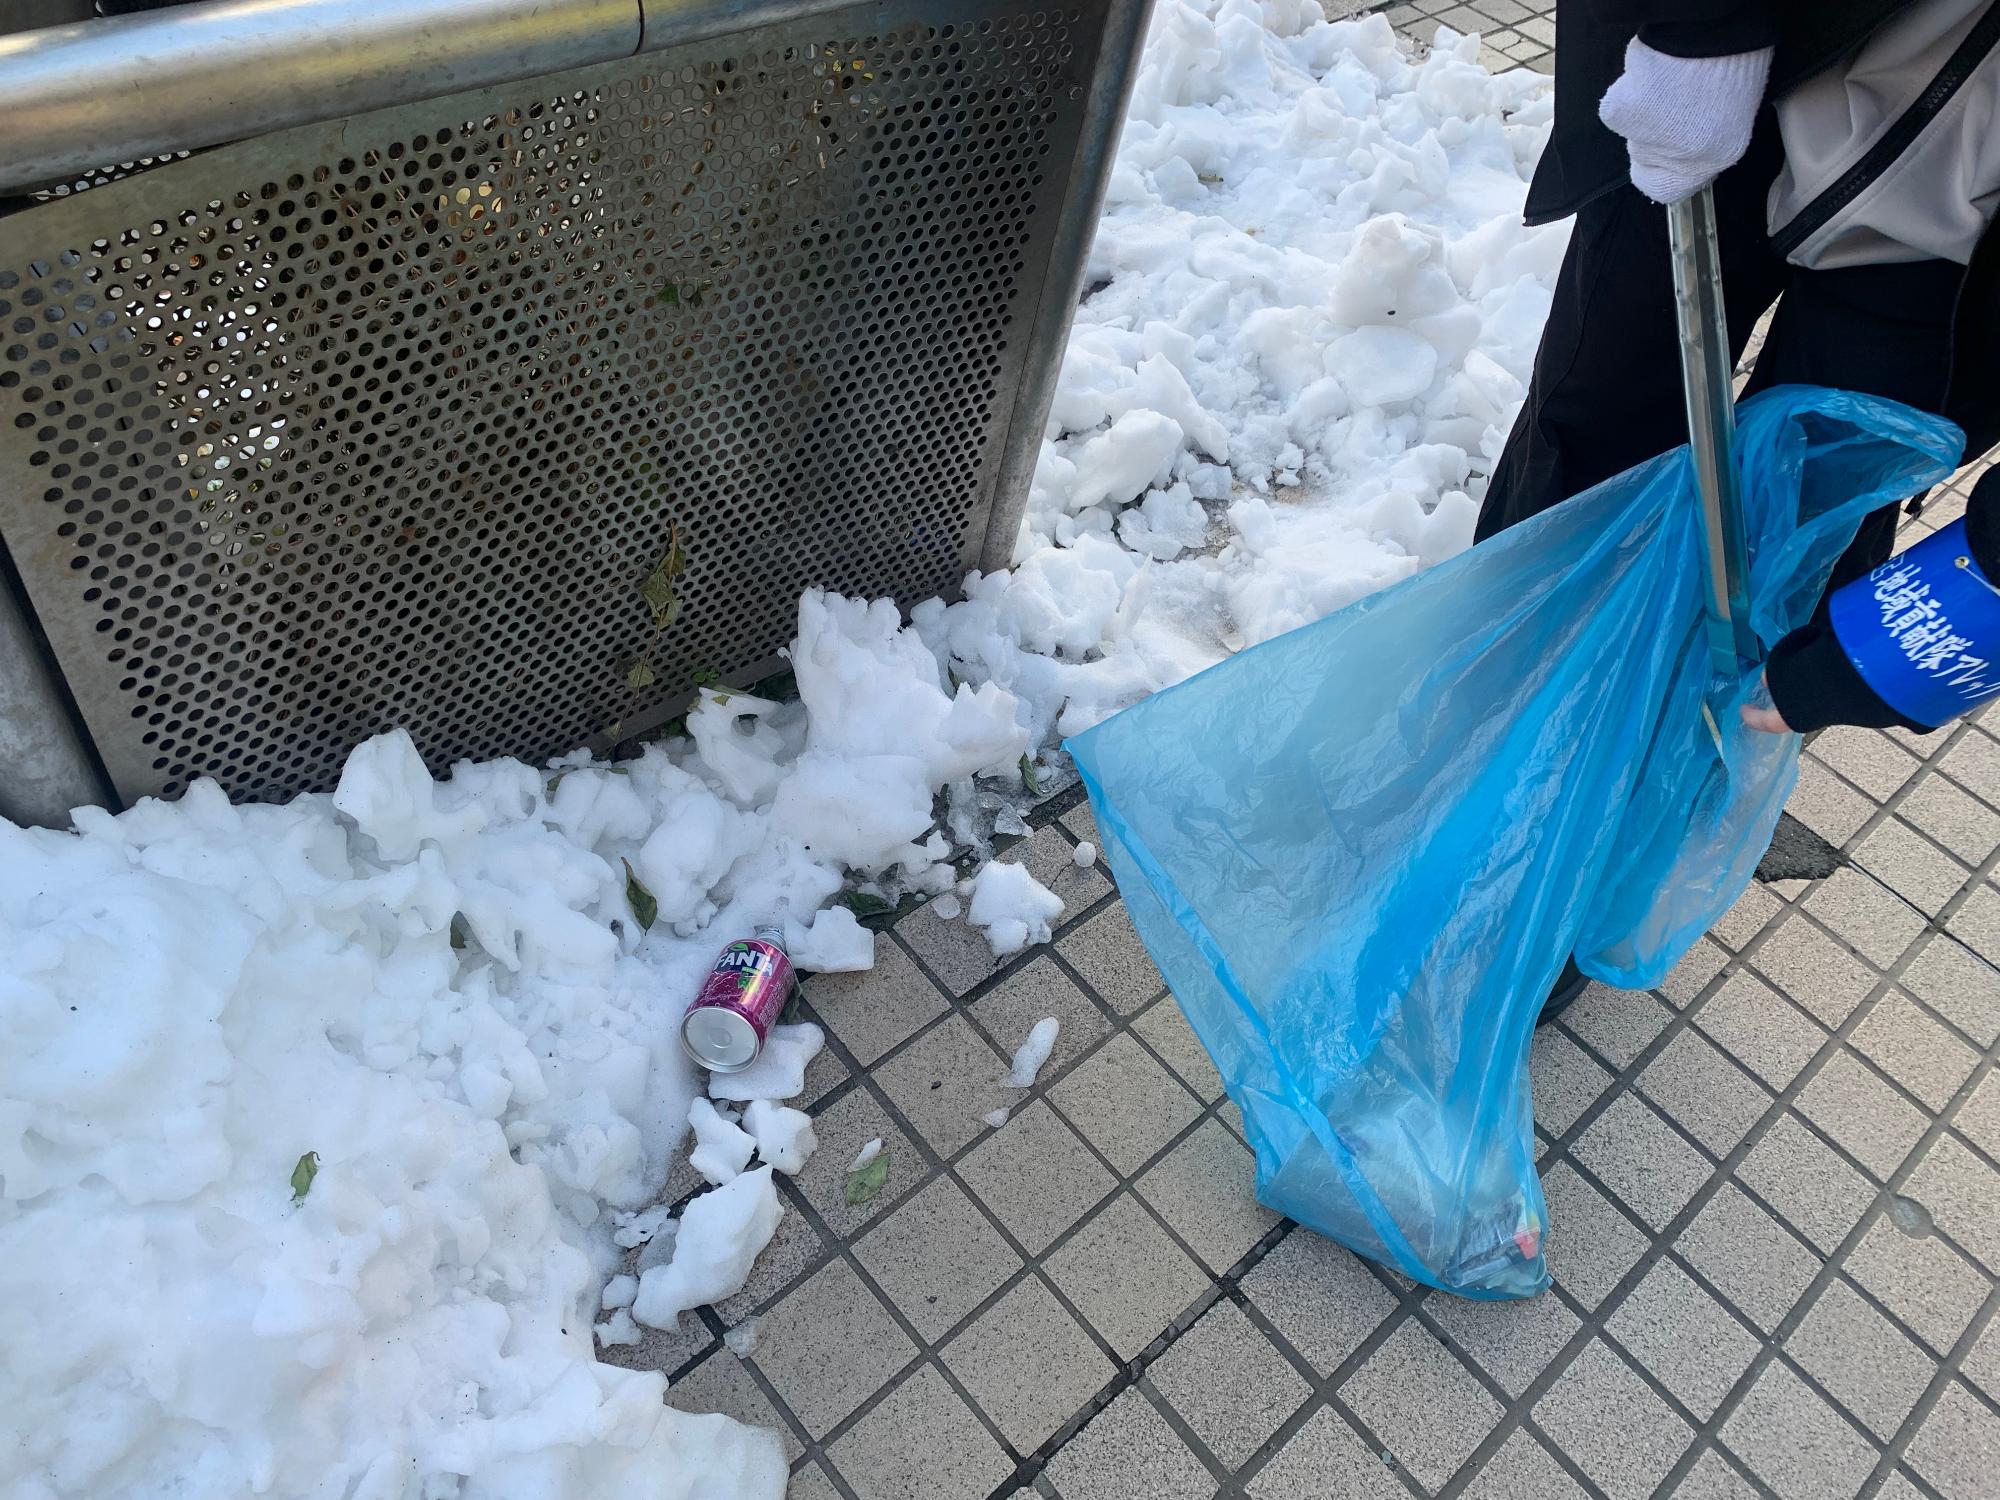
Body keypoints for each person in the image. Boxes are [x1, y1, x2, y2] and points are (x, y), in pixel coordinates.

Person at [1481, 0, 2000, 737]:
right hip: (1734, 71)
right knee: (1594, 442)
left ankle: (1676, 775)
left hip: (1959, 240)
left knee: (1814, 516)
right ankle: (1505, 717)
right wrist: (1701, 23)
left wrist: (1938, 630)